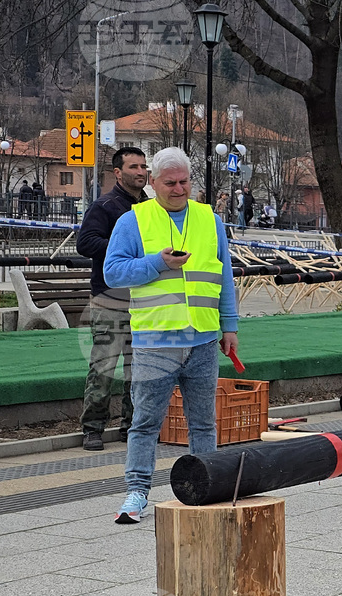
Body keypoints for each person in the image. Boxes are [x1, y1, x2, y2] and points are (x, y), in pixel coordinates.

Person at [104, 147, 239, 524]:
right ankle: (136, 493)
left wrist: (230, 326)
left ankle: (206, 486)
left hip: (203, 339)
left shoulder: (208, 219)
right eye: (171, 183)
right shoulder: (134, 220)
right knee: (146, 422)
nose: (179, 189)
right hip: (155, 341)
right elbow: (113, 272)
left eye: (184, 182)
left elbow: (223, 277)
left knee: (203, 422)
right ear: (152, 182)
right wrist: (157, 262)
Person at [76, 147, 149, 451]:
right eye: (134, 166)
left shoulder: (150, 207)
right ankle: (93, 428)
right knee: (104, 366)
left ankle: (131, 427)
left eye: (144, 166)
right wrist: (123, 247)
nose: (141, 172)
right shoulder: (104, 206)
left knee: (140, 367)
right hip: (109, 299)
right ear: (118, 172)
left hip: (144, 299)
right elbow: (86, 243)